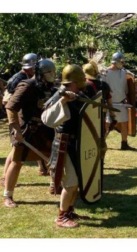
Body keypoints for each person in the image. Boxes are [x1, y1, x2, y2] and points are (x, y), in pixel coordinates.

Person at [3, 59, 57, 207]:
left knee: (51, 158)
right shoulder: (27, 85)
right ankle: (8, 195)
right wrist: (15, 129)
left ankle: (54, 185)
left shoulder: (51, 87)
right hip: (27, 129)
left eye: (53, 72)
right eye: (48, 72)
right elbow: (10, 107)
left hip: (45, 129)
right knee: (17, 161)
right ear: (40, 73)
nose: (52, 75)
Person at [41, 64, 90, 228]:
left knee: (77, 180)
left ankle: (69, 210)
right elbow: (47, 119)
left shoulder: (78, 93)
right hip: (64, 144)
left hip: (77, 143)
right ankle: (61, 217)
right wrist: (63, 100)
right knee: (71, 182)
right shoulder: (59, 95)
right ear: (75, 80)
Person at [1, 53, 50, 181]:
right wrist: (15, 123)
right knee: (15, 155)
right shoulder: (19, 78)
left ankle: (42, 169)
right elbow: (9, 102)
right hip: (20, 120)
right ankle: (5, 178)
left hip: (29, 119)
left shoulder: (32, 78)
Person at [102, 52, 135, 150]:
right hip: (110, 103)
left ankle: (124, 143)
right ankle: (101, 143)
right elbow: (103, 88)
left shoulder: (123, 72)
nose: (123, 64)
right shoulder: (105, 73)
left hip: (121, 102)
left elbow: (130, 80)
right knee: (108, 125)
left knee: (124, 123)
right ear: (116, 61)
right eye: (122, 62)